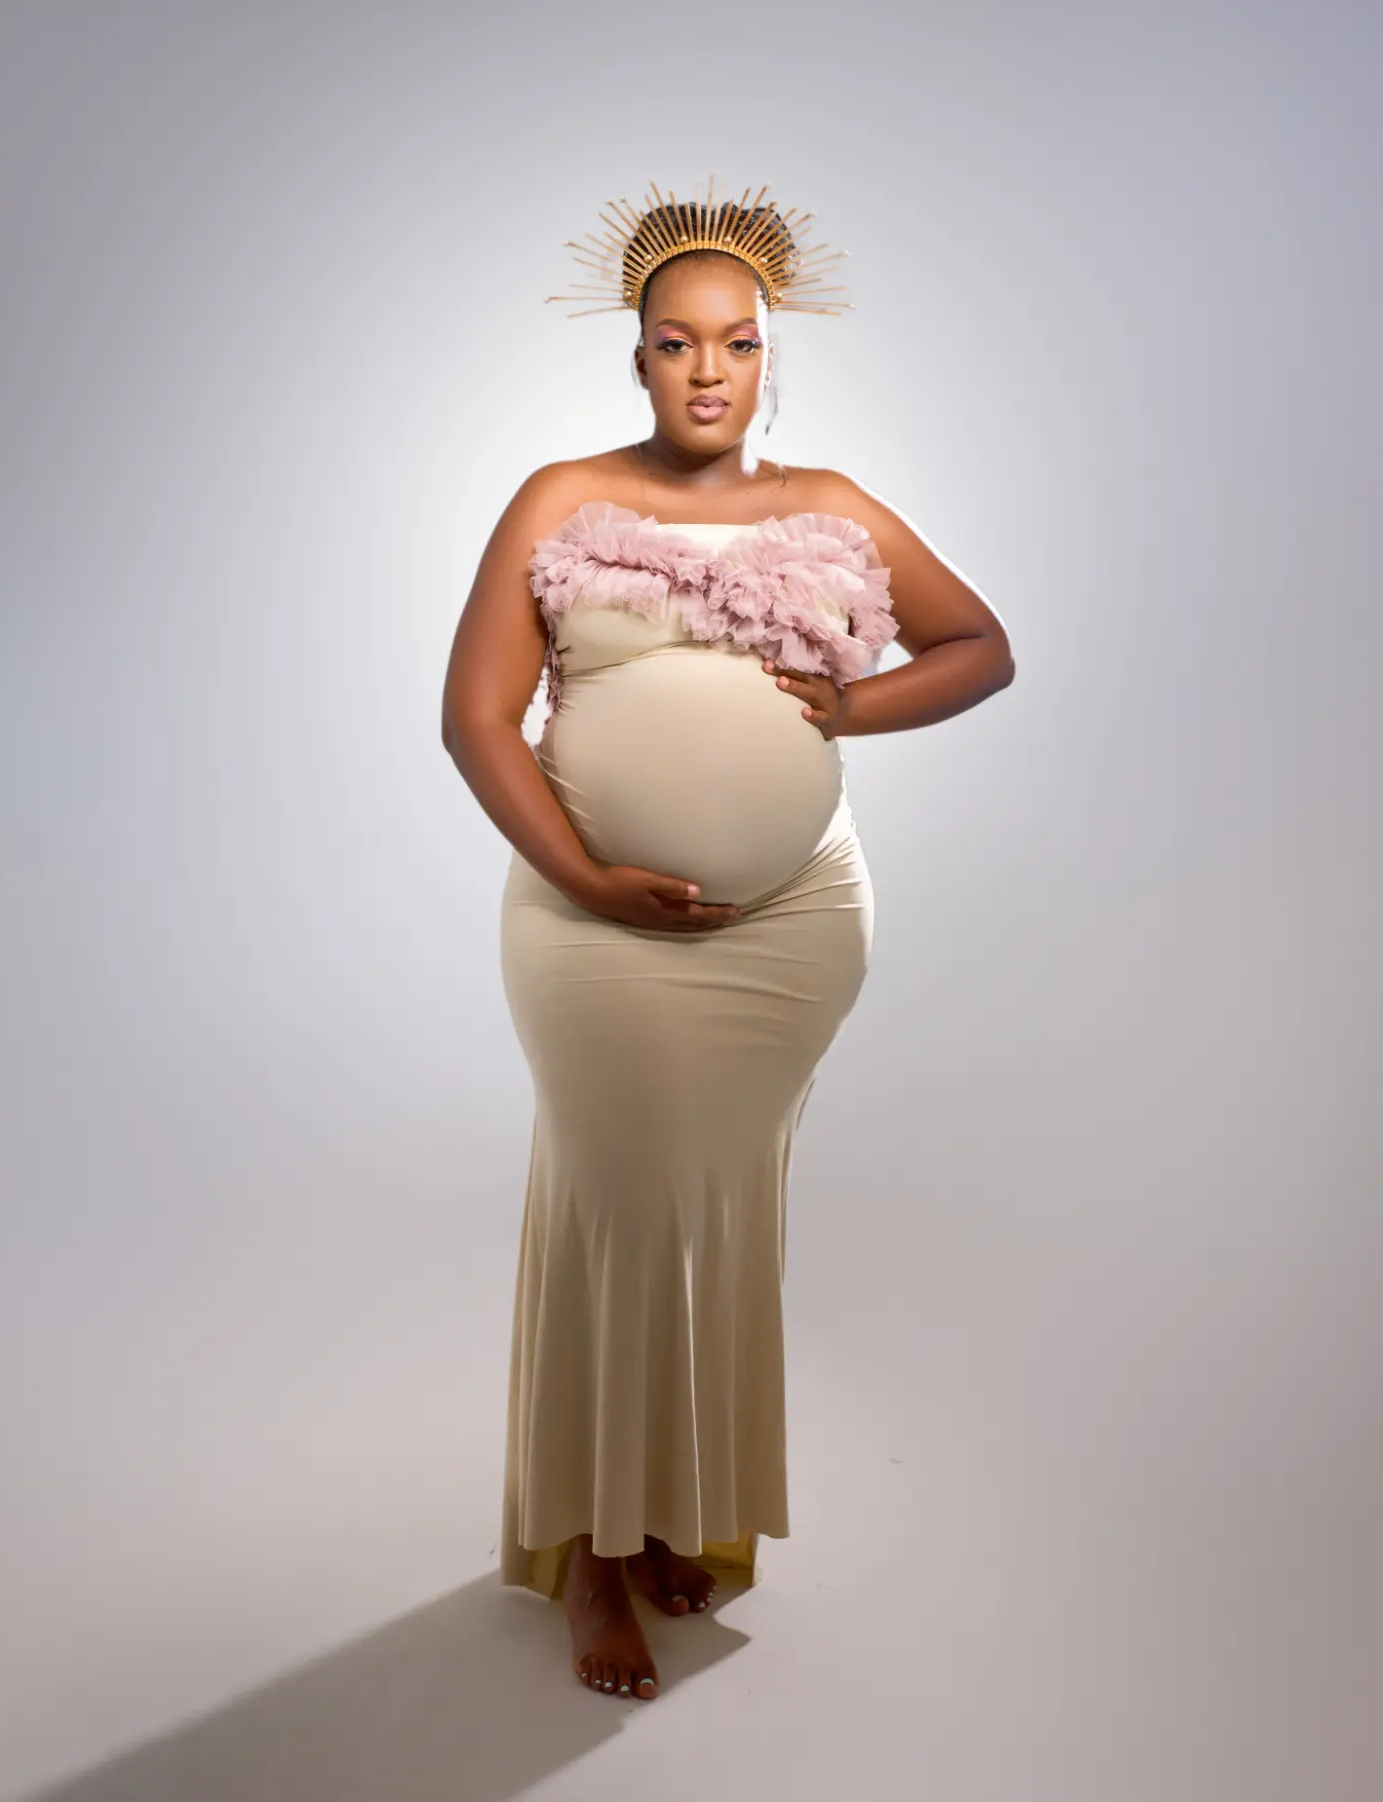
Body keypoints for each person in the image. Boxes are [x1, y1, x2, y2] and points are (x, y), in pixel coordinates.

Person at [441, 180, 1014, 1702]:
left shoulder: (833, 504)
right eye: (678, 342)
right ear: (636, 356)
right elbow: (477, 719)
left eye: (738, 343)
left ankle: (669, 1517)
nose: (709, 370)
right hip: (592, 932)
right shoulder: (560, 498)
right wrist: (585, 876)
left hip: (793, 927)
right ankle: (594, 1556)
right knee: (619, 1210)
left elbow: (982, 647)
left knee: (712, 1220)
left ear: (770, 355)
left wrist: (850, 706)